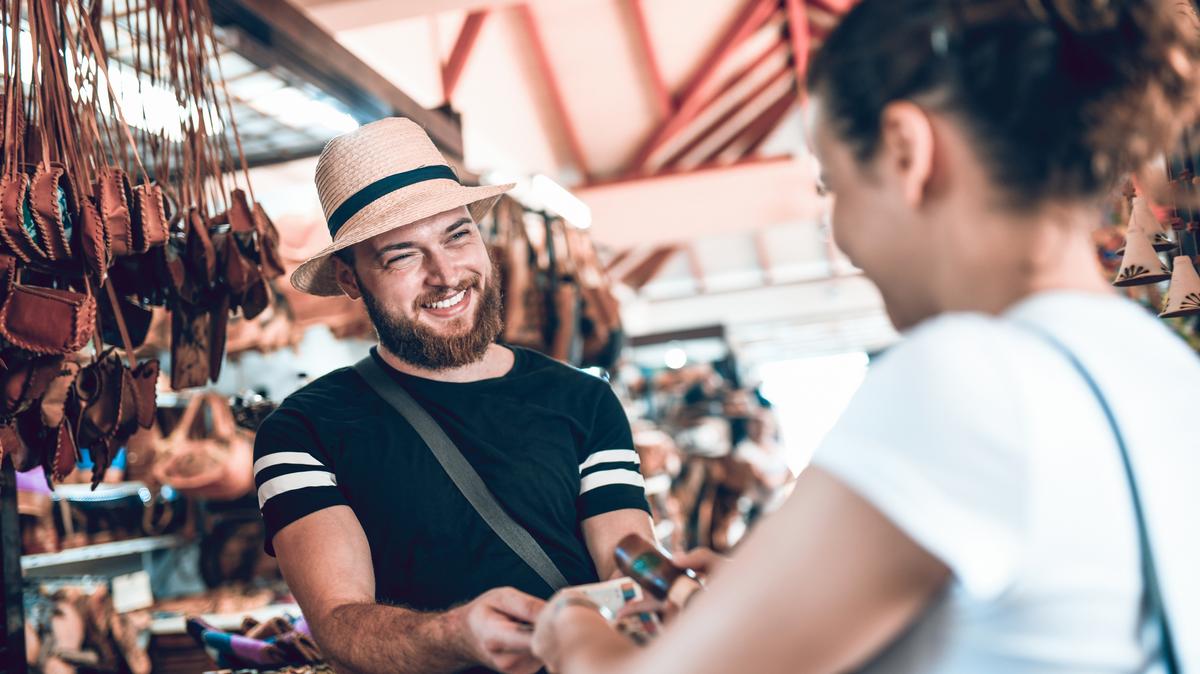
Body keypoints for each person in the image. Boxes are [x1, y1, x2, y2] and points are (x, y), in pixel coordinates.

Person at [532, 1, 1200, 672]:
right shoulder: (1161, 370)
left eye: (834, 186)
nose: (842, 234)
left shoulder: (970, 376)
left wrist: (573, 628)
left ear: (908, 151)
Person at [253, 118, 655, 674]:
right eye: (402, 256)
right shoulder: (300, 432)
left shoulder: (585, 400)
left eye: (457, 235)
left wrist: (670, 587)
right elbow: (338, 622)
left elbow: (628, 564)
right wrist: (453, 634)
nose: (446, 275)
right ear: (350, 280)